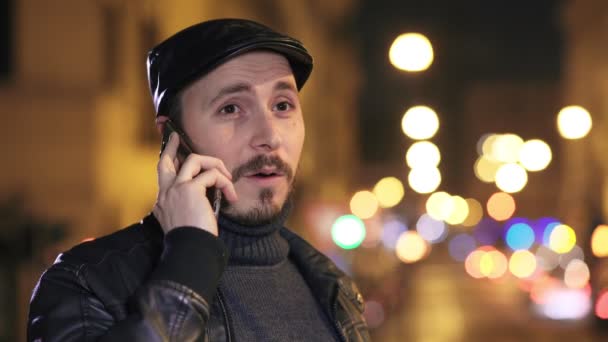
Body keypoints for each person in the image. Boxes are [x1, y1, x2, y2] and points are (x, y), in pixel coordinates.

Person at [27, 18, 370, 341]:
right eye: (231, 108)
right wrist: (190, 260)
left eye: (282, 105)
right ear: (171, 138)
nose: (270, 136)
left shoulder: (334, 287)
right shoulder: (87, 283)